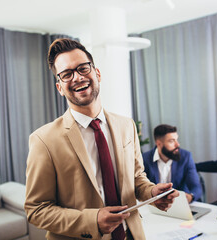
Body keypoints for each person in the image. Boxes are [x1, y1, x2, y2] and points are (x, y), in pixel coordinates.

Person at [24, 38, 178, 240]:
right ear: (60, 87)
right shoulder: (43, 140)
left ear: (97, 73)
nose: (77, 77)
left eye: (83, 68)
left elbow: (136, 178)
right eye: (67, 74)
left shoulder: (126, 125)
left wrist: (151, 192)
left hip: (132, 234)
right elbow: (36, 209)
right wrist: (92, 220)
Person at [142, 124, 202, 203]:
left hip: (179, 203)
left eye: (176, 140)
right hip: (153, 204)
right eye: (171, 141)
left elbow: (196, 187)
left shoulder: (186, 157)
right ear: (159, 143)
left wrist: (190, 196)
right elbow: (141, 188)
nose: (177, 144)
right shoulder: (144, 159)